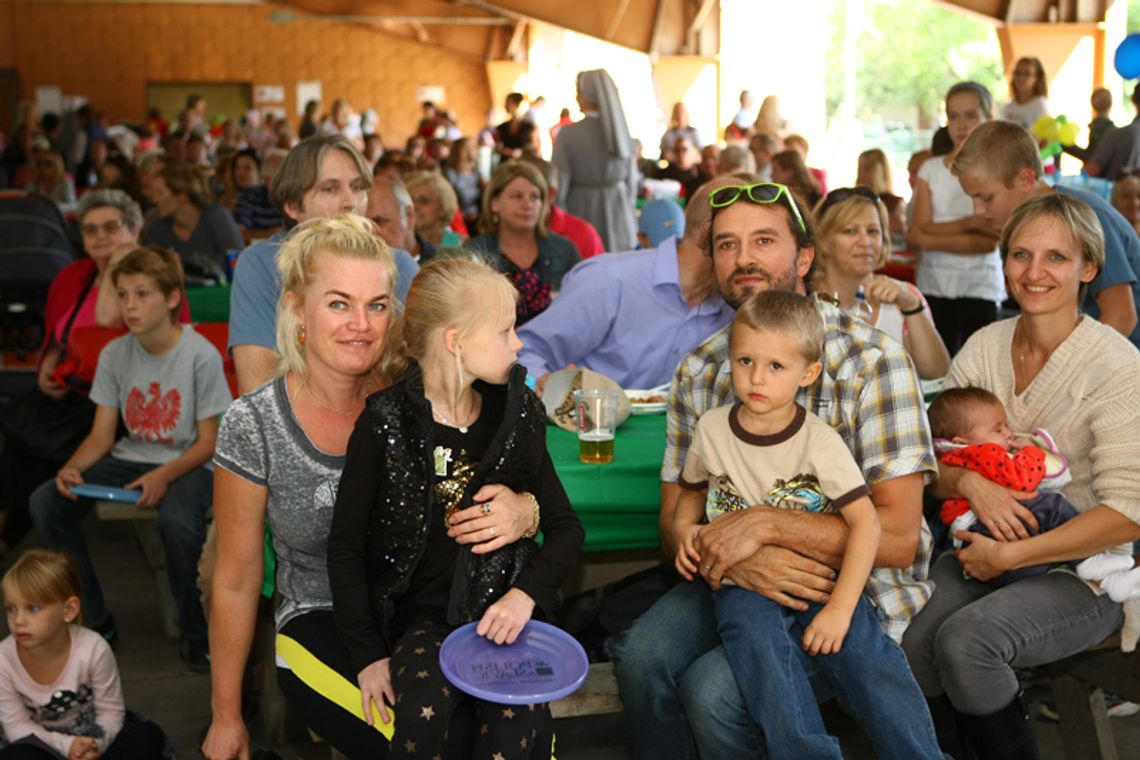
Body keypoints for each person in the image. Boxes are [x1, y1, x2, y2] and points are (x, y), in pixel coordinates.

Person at [612, 180, 937, 759]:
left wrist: (763, 528)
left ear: (804, 256)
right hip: (729, 576)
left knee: (713, 692)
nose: (744, 259)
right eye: (727, 245)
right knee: (640, 657)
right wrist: (726, 556)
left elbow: (899, 538)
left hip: (853, 586)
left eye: (764, 240)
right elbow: (673, 526)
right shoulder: (702, 370)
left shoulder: (870, 360)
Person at [901, 192, 1140, 759]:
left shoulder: (1117, 366)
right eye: (1021, 255)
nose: (1034, 273)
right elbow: (932, 464)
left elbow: (1127, 514)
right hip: (984, 550)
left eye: (1057, 258)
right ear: (1004, 261)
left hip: (1085, 570)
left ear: (1088, 268)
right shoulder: (983, 347)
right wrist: (967, 483)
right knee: (910, 637)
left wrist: (1011, 557)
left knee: (966, 642)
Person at [327, 256, 584, 759]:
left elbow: (566, 529)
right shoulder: (386, 425)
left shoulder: (518, 415)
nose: (518, 344)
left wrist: (523, 597)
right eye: (505, 330)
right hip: (420, 622)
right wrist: (368, 655)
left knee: (519, 722)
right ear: (455, 341)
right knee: (424, 712)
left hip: (505, 619)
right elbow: (345, 547)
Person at [671, 290, 942, 760]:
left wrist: (841, 607)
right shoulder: (712, 429)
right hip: (743, 582)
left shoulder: (820, 440)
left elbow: (867, 525)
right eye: (745, 361)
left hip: (822, 577)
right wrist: (684, 532)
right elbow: (692, 490)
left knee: (868, 660)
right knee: (762, 660)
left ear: (808, 373)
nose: (757, 378)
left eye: (777, 367)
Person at [203, 216, 438, 759]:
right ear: (296, 310)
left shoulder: (416, 399)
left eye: (377, 305)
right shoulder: (255, 423)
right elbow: (236, 579)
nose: (361, 324)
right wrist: (226, 717)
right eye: (338, 303)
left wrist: (524, 508)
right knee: (414, 742)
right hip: (318, 616)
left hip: (416, 613)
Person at [29, 246, 230, 672]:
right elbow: (102, 435)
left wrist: (163, 476)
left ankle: (198, 633)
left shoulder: (200, 354)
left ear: (173, 298)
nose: (130, 306)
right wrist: (74, 467)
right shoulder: (115, 354)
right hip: (133, 456)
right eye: (123, 295)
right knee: (46, 502)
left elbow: (209, 442)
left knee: (176, 521)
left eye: (143, 294)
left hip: (191, 461)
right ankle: (97, 618)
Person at [0, 190, 192, 558]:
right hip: (71, 394)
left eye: (111, 227)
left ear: (135, 230)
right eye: (90, 230)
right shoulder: (74, 275)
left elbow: (108, 319)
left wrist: (119, 263)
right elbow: (60, 330)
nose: (99, 237)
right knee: (12, 429)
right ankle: (14, 532)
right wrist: (48, 362)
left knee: (26, 442)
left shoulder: (151, 281)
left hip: (125, 407)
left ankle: (13, 533)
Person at [227, 135, 416, 395]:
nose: (351, 202)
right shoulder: (261, 264)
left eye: (359, 187)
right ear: (293, 206)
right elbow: (258, 389)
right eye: (330, 189)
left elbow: (425, 380)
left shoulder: (397, 266)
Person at [518, 177, 737, 390]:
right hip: (588, 423)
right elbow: (525, 351)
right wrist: (543, 387)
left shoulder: (737, 304)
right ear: (713, 237)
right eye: (757, 240)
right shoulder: (610, 280)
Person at [953, 120, 1140, 349]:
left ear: (1025, 179)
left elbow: (1122, 318)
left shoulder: (1085, 215)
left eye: (987, 198)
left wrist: (1061, 375)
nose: (978, 211)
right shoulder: (1022, 226)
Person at [0, 549, 166, 759]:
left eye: (33, 608)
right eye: (10, 609)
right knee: (15, 755)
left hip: (94, 735)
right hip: (42, 743)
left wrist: (93, 746)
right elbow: (16, 726)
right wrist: (67, 746)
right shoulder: (4, 659)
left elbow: (111, 712)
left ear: (68, 610)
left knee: (146, 736)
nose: (18, 620)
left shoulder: (93, 648)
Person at [927, 387, 1088, 584]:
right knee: (1052, 505)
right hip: (987, 527)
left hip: (972, 535)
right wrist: (1032, 451)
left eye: (1006, 426)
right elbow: (1020, 482)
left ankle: (1038, 572)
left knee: (1024, 570)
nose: (1009, 433)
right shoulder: (984, 453)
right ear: (962, 441)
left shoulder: (953, 455)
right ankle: (1089, 557)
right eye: (998, 429)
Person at [811, 187, 950, 379]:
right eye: (850, 231)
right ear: (823, 241)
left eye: (873, 231)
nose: (865, 241)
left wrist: (911, 306)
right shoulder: (804, 299)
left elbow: (937, 373)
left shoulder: (906, 296)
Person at [907, 82, 1003, 355]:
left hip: (979, 284)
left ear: (988, 119)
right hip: (934, 282)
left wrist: (930, 235)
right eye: (954, 116)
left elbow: (987, 243)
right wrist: (970, 225)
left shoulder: (996, 169)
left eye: (971, 116)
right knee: (937, 363)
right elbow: (919, 231)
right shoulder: (931, 168)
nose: (961, 125)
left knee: (977, 366)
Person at [465, 160, 579, 324]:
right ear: (494, 203)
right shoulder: (475, 252)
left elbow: (579, 310)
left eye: (535, 197)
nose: (528, 204)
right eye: (517, 196)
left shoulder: (565, 249)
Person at [552, 69, 638, 252]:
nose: (576, 97)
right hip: (618, 208)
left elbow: (560, 182)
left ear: (587, 95)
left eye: (578, 91)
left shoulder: (568, 134)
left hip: (581, 208)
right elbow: (632, 181)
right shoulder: (622, 131)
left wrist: (559, 216)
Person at [141, 161, 243, 283]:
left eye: (160, 193)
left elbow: (238, 259)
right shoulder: (157, 229)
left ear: (182, 196)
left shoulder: (216, 217)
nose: (155, 200)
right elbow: (150, 271)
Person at [521, 155, 605, 259]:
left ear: (550, 194)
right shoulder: (500, 235)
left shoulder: (583, 235)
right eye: (515, 196)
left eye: (533, 196)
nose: (525, 204)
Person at [1001, 57, 1050, 131]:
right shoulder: (1008, 107)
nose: (1021, 78)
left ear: (1037, 78)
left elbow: (1046, 137)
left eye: (1027, 74)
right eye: (1017, 73)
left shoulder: (1040, 105)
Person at [494, 92, 539, 161]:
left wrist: (521, 152)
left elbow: (534, 146)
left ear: (517, 104)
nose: (506, 105)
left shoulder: (529, 126)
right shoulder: (502, 127)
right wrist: (505, 151)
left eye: (509, 102)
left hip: (525, 161)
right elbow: (497, 146)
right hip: (507, 162)